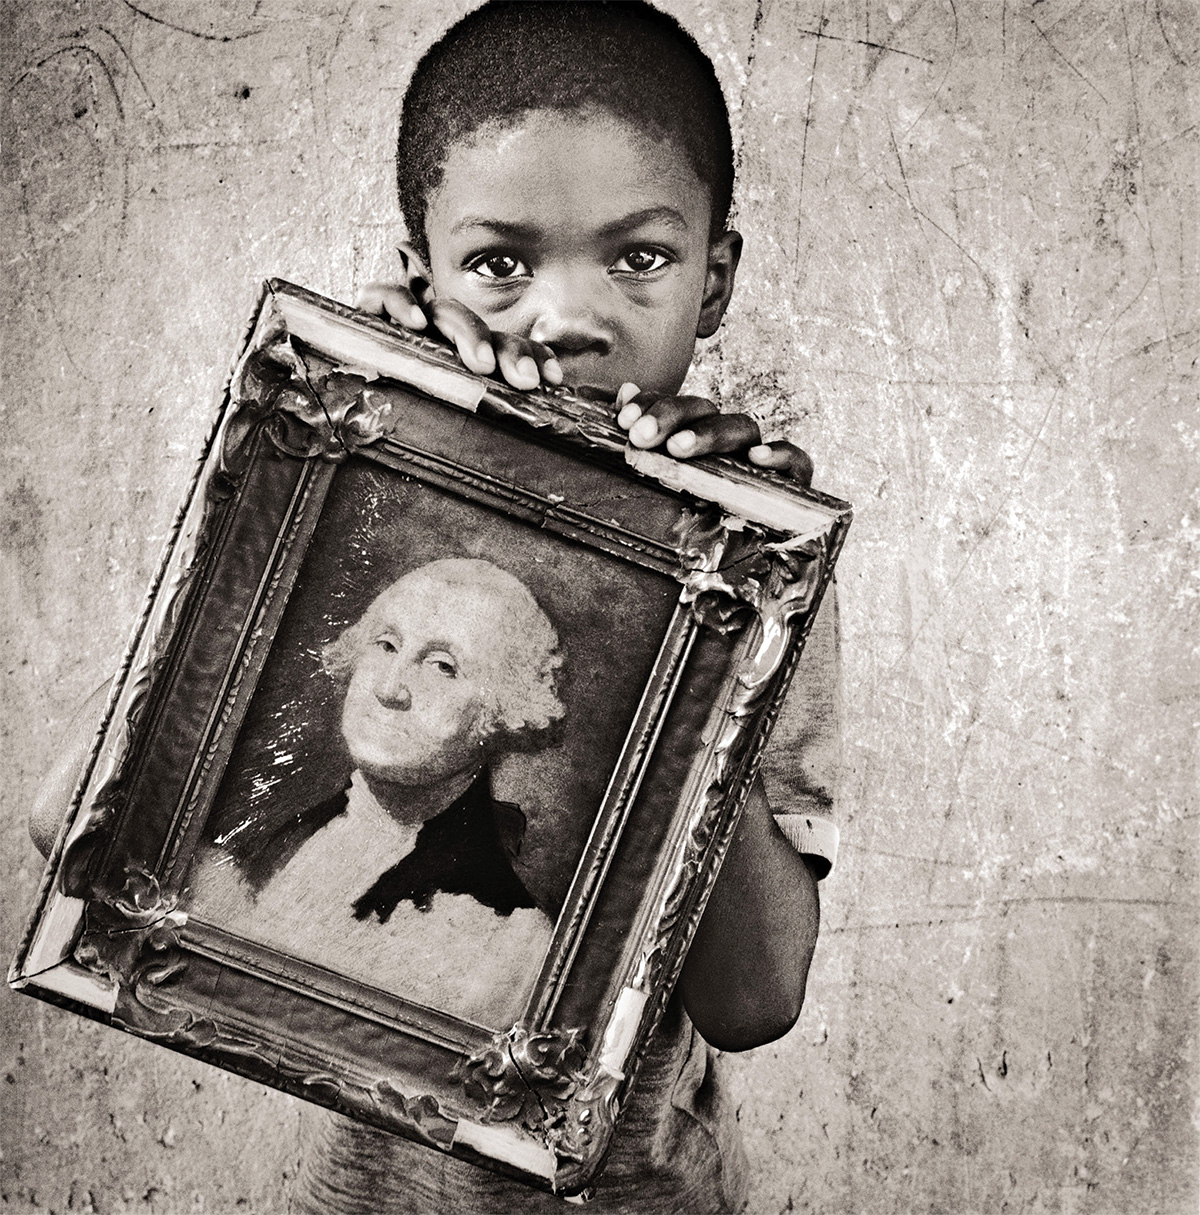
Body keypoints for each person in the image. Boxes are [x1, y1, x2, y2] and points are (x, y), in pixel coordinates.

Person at [29, 3, 841, 1211]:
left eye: (639, 257)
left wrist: (703, 619)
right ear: (422, 277)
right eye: (500, 263)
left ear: (714, 279)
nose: (567, 320)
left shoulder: (759, 569)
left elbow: (754, 1000)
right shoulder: (347, 491)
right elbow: (76, 827)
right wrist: (311, 468)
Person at [186, 558, 565, 1026]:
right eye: (386, 645)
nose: (389, 688)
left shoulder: (513, 942)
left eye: (442, 667)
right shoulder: (258, 841)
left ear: (507, 710)